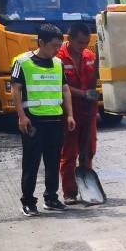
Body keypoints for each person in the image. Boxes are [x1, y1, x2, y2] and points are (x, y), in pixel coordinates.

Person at [12, 23, 75, 215]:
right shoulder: (22, 62)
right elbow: (16, 90)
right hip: (33, 120)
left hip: (55, 120)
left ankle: (51, 198)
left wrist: (70, 114)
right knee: (31, 162)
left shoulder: (58, 64)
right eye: (54, 46)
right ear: (41, 42)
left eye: (59, 45)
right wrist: (21, 117)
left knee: (53, 161)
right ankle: (28, 202)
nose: (58, 50)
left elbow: (65, 89)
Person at [58, 22, 100, 203]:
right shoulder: (58, 59)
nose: (83, 47)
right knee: (69, 153)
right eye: (80, 43)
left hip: (88, 112)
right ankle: (69, 192)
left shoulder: (90, 56)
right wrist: (83, 94)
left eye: (86, 43)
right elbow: (60, 87)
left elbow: (94, 81)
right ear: (70, 39)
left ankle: (87, 189)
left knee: (88, 151)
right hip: (69, 112)